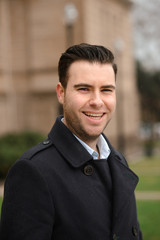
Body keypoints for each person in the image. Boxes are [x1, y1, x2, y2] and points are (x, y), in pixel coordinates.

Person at [0, 43, 142, 240]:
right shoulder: (32, 172)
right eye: (84, 89)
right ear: (61, 92)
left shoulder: (118, 161)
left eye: (106, 90)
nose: (97, 101)